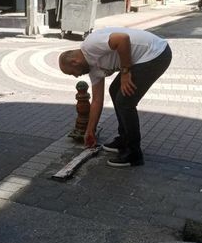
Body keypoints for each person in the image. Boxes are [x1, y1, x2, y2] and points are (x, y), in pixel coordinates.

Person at [58, 27, 171, 167]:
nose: (76, 76)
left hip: (156, 53)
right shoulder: (93, 70)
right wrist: (90, 130)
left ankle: (133, 154)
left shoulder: (90, 45)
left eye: (72, 73)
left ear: (75, 62)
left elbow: (122, 39)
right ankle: (124, 139)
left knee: (125, 101)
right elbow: (97, 100)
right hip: (144, 57)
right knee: (115, 90)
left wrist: (125, 73)